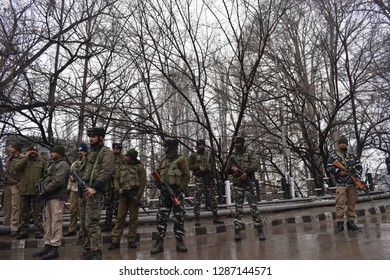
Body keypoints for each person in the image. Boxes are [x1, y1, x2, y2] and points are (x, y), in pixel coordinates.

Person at [79, 127, 115, 260]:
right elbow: (83, 168)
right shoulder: (90, 153)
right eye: (89, 136)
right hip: (85, 190)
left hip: (95, 191)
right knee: (84, 223)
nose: (90, 139)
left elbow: (106, 171)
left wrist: (95, 187)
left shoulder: (107, 153)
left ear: (101, 137)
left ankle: (96, 252)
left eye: (93, 136)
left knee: (92, 223)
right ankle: (87, 250)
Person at [150, 138, 190, 254]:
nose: (164, 149)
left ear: (172, 148)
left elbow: (186, 176)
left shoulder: (181, 160)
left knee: (179, 219)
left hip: (176, 194)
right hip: (164, 195)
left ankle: (180, 242)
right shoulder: (163, 161)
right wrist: (159, 184)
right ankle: (159, 243)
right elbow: (156, 174)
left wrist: (180, 190)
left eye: (166, 147)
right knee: (161, 219)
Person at [32, 145, 70, 260]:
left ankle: (55, 246)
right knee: (48, 222)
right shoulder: (52, 164)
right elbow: (47, 178)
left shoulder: (63, 165)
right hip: (49, 196)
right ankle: (48, 244)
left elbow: (58, 181)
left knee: (56, 222)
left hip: (57, 197)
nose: (51, 153)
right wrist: (40, 184)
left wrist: (45, 190)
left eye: (54, 152)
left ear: (59, 153)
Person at [225, 135, 266, 241]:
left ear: (242, 143)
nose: (236, 145)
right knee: (238, 210)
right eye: (235, 143)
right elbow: (227, 169)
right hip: (238, 185)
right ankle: (237, 231)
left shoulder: (250, 153)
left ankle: (260, 230)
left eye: (238, 143)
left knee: (254, 208)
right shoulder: (232, 156)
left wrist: (247, 173)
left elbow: (255, 165)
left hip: (248, 184)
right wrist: (232, 168)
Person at [108, 148, 146, 250]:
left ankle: (131, 240)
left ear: (132, 158)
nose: (125, 157)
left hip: (134, 196)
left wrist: (138, 196)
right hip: (123, 196)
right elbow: (116, 179)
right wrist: (118, 189)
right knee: (120, 218)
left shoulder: (140, 168)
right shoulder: (122, 167)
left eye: (127, 156)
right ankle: (115, 240)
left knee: (133, 219)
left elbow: (143, 183)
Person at [327, 135, 363, 233]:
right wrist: (339, 171)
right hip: (341, 183)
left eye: (344, 143)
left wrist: (357, 178)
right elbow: (329, 167)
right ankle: (339, 224)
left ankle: (351, 222)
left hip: (352, 183)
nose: (342, 144)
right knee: (340, 203)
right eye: (341, 143)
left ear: (347, 144)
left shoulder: (352, 155)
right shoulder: (333, 155)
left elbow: (359, 166)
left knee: (352, 203)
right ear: (338, 144)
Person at [14, 144, 47, 239]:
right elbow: (16, 168)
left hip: (37, 190)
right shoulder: (23, 160)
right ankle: (24, 231)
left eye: (35, 150)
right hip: (25, 190)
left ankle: (38, 231)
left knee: (38, 212)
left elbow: (46, 174)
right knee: (24, 212)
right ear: (28, 151)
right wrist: (26, 158)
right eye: (31, 150)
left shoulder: (42, 161)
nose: (33, 152)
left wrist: (43, 185)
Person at [188, 139, 223, 226]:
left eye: (203, 145)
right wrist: (198, 167)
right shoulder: (193, 156)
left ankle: (215, 216)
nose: (201, 146)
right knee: (198, 199)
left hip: (209, 178)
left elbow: (213, 166)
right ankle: (197, 218)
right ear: (197, 146)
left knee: (213, 198)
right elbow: (189, 166)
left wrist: (215, 177)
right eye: (200, 145)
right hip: (199, 179)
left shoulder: (208, 155)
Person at [63, 143, 88, 237]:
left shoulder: (88, 164)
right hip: (74, 189)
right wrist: (68, 188)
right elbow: (71, 176)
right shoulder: (74, 164)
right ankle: (72, 229)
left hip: (84, 190)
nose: (80, 152)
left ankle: (83, 229)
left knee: (83, 211)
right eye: (79, 151)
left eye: (82, 151)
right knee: (73, 210)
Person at [3, 142, 23, 237]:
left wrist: (21, 182)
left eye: (12, 147)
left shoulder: (22, 158)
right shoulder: (8, 158)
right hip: (7, 184)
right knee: (7, 206)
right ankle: (6, 225)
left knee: (15, 206)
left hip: (16, 184)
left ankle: (14, 227)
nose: (10, 148)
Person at [102, 143, 123, 232]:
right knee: (108, 204)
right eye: (114, 148)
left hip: (117, 185)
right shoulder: (110, 158)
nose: (115, 150)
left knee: (117, 206)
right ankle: (108, 223)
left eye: (117, 149)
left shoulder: (122, 160)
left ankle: (118, 224)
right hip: (109, 185)